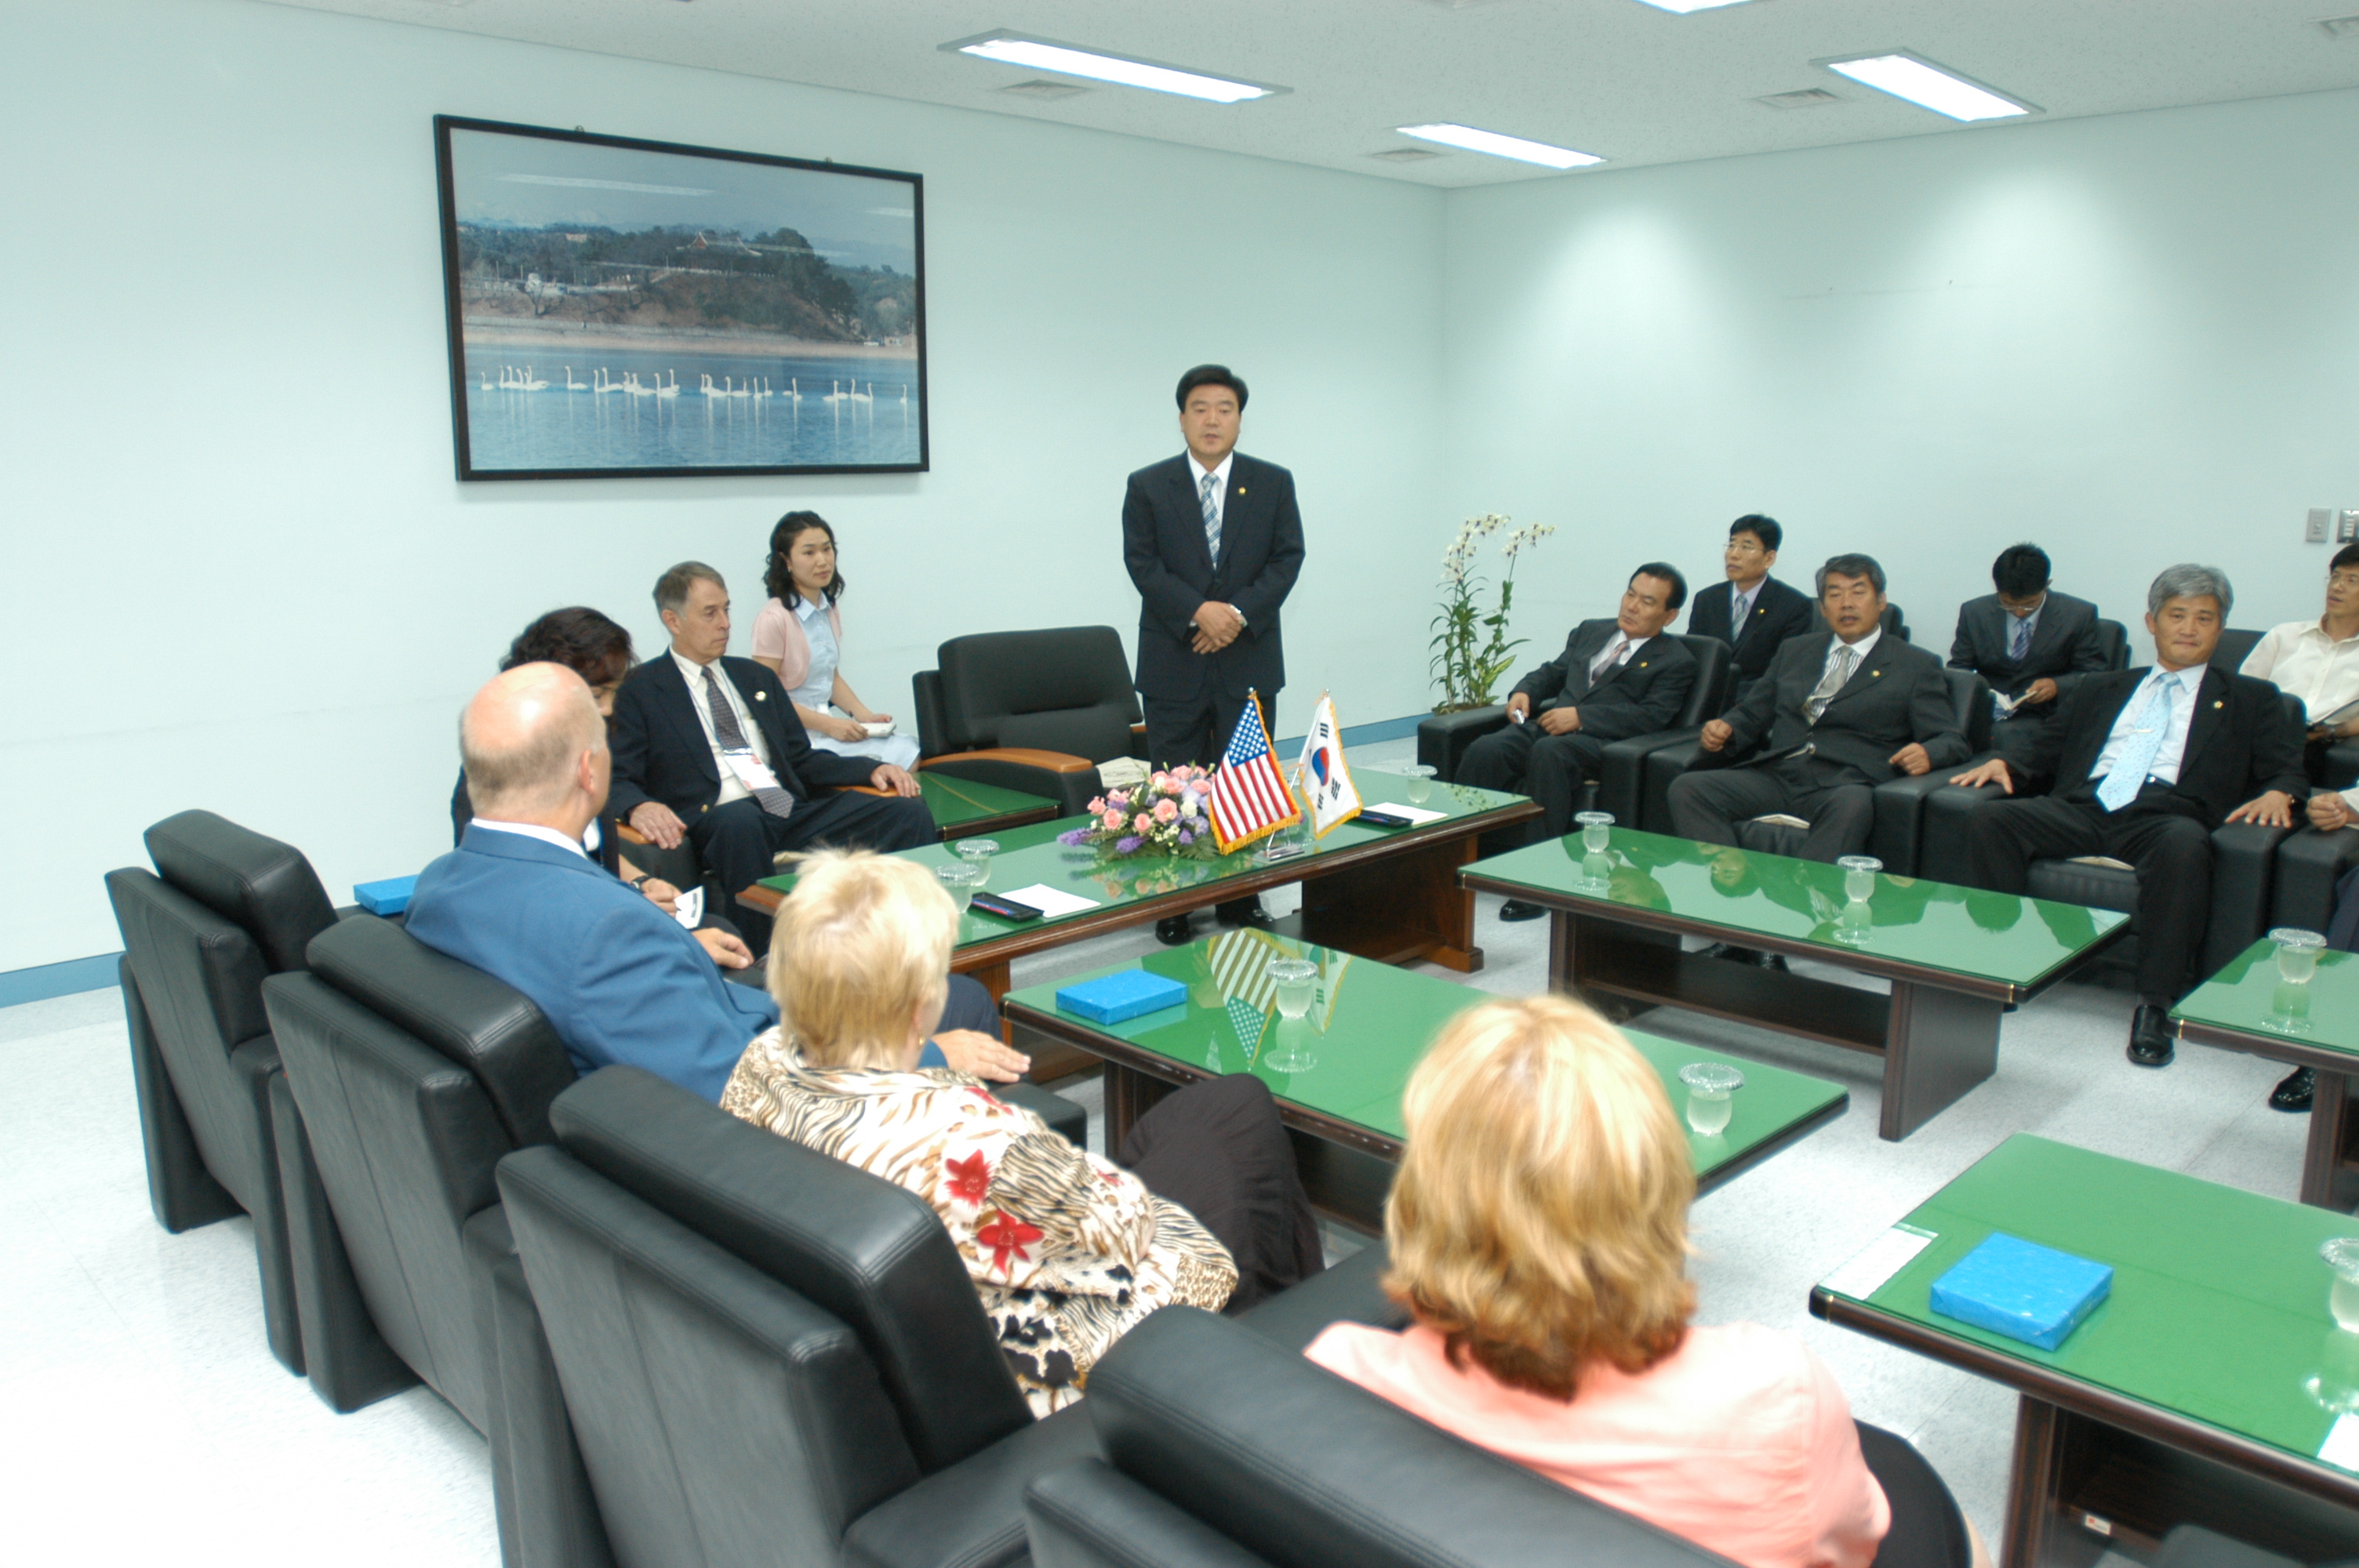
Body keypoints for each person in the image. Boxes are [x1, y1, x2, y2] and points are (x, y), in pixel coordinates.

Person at [1306, 994, 1984, 1568]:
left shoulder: (1334, 1373)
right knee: (1940, 1515)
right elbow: (1857, 1544)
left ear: (1423, 1192)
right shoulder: (1778, 1400)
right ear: (1654, 1188)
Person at [722, 849, 1323, 1416]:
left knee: (1193, 1118)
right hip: (1056, 1355)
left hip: (953, 1295)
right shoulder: (968, 1137)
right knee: (1242, 1111)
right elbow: (1126, 1232)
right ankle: (1281, 1358)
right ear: (918, 1007)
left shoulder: (764, 1064)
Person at [409, 665, 1023, 1100]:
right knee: (958, 1001)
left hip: (668, 1039)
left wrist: (674, 943)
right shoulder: (606, 934)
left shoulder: (442, 883)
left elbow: (579, 968)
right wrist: (931, 1057)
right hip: (751, 1096)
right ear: (588, 772)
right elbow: (739, 1086)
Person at [1950, 564, 2303, 1072]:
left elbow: (2286, 767)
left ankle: (2155, 1004)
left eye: (2204, 618)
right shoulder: (2105, 685)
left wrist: (2280, 792)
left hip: (2167, 814)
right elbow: (2048, 747)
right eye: (2177, 615)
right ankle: (1998, 965)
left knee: (2185, 845)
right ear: (2151, 621)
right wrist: (2008, 762)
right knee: (1991, 820)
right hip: (2085, 805)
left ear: (2220, 629)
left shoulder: (2252, 698)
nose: (2189, 628)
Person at [608, 561, 936, 954]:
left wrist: (873, 768)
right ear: (672, 621)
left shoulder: (754, 678)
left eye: (726, 609)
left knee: (906, 811)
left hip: (784, 806)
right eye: (710, 613)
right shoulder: (642, 690)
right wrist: (638, 805)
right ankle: (767, 958)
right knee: (741, 821)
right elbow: (618, 776)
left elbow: (801, 759)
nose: (725, 623)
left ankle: (907, 937)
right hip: (718, 815)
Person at [1124, 364, 1306, 945]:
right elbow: (1143, 563)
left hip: (1246, 656)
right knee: (1173, 782)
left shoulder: (1273, 482)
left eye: (1224, 409)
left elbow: (1287, 559)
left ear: (1239, 421)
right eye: (1199, 408)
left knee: (1244, 779)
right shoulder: (1148, 485)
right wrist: (1198, 612)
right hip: (1173, 659)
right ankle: (1175, 900)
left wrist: (1234, 616)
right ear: (1181, 419)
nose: (1211, 419)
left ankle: (1238, 896)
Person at [1668, 554, 1968, 866]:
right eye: (1835, 594)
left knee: (1852, 806)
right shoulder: (1796, 650)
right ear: (1823, 609)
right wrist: (1726, 728)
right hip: (1779, 774)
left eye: (1858, 592)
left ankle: (1809, 902)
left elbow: (1951, 739)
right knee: (1689, 789)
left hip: (1845, 783)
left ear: (1881, 601)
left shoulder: (1915, 665)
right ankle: (1726, 876)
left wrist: (1929, 753)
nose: (1846, 603)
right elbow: (1752, 713)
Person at [449, 607, 722, 944]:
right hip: (566, 932)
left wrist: (640, 884)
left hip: (599, 910)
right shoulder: (502, 777)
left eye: (613, 692)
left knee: (720, 930)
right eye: (596, 696)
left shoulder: (585, 749)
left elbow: (589, 848)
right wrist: (682, 944)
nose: (607, 709)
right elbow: (539, 899)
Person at [1456, 564, 1699, 920]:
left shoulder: (1677, 661)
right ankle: (1459, 855)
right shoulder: (1592, 631)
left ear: (1670, 614)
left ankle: (1537, 882)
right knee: (1485, 750)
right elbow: (1553, 671)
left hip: (1603, 744)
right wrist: (1525, 690)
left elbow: (1652, 717)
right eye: (1630, 594)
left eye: (1647, 602)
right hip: (1549, 727)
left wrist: (1582, 718)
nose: (1632, 606)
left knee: (1550, 753)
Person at [750, 510, 921, 772]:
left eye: (827, 550)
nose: (822, 561)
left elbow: (830, 678)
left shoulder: (827, 608)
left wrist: (865, 717)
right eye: (809, 553)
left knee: (909, 748)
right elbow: (763, 697)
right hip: (795, 738)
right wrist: (829, 725)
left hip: (827, 729)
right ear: (786, 560)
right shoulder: (774, 617)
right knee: (894, 763)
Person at [1947, 544, 2112, 771]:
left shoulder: (2078, 615)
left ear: (2047, 585)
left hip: (2042, 716)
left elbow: (2095, 674)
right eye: (2008, 603)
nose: (2019, 612)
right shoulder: (1975, 612)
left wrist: (2057, 686)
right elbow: (1959, 669)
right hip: (1986, 713)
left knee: (2008, 737)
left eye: (2029, 604)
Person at [2241, 543, 2359, 785]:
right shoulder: (2284, 635)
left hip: (2318, 747)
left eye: (2352, 580)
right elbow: (2242, 694)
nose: (2337, 587)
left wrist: (2333, 732)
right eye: (2335, 577)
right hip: (2261, 736)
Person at [1685, 515, 1814, 710]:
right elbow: (1695, 657)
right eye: (1731, 545)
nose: (1734, 555)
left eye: (1746, 547)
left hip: (1754, 709)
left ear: (1769, 558)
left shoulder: (1793, 606)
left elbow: (1785, 673)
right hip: (1702, 703)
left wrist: (1742, 705)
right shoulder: (1707, 599)